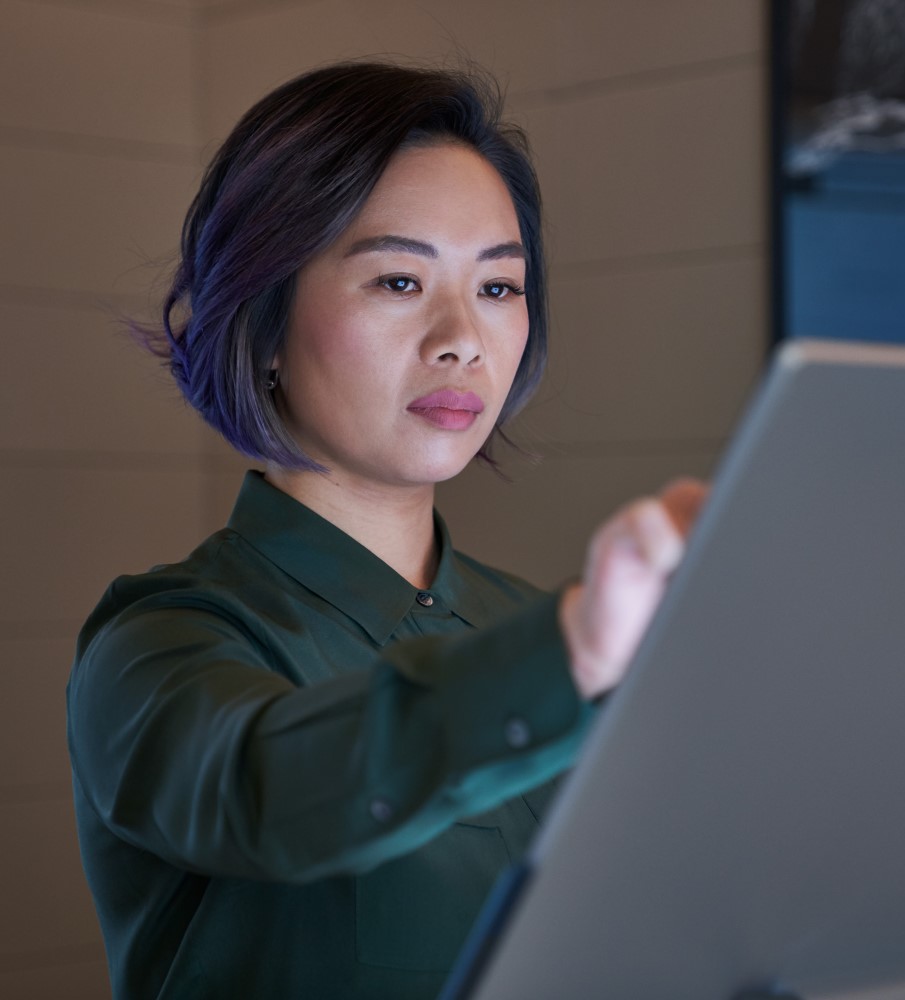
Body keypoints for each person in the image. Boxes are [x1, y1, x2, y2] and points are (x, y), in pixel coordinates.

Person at [67, 61, 706, 1000]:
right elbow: (267, 787)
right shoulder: (157, 646)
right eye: (400, 280)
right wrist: (569, 655)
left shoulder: (532, 621)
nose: (462, 338)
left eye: (498, 288)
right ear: (265, 316)